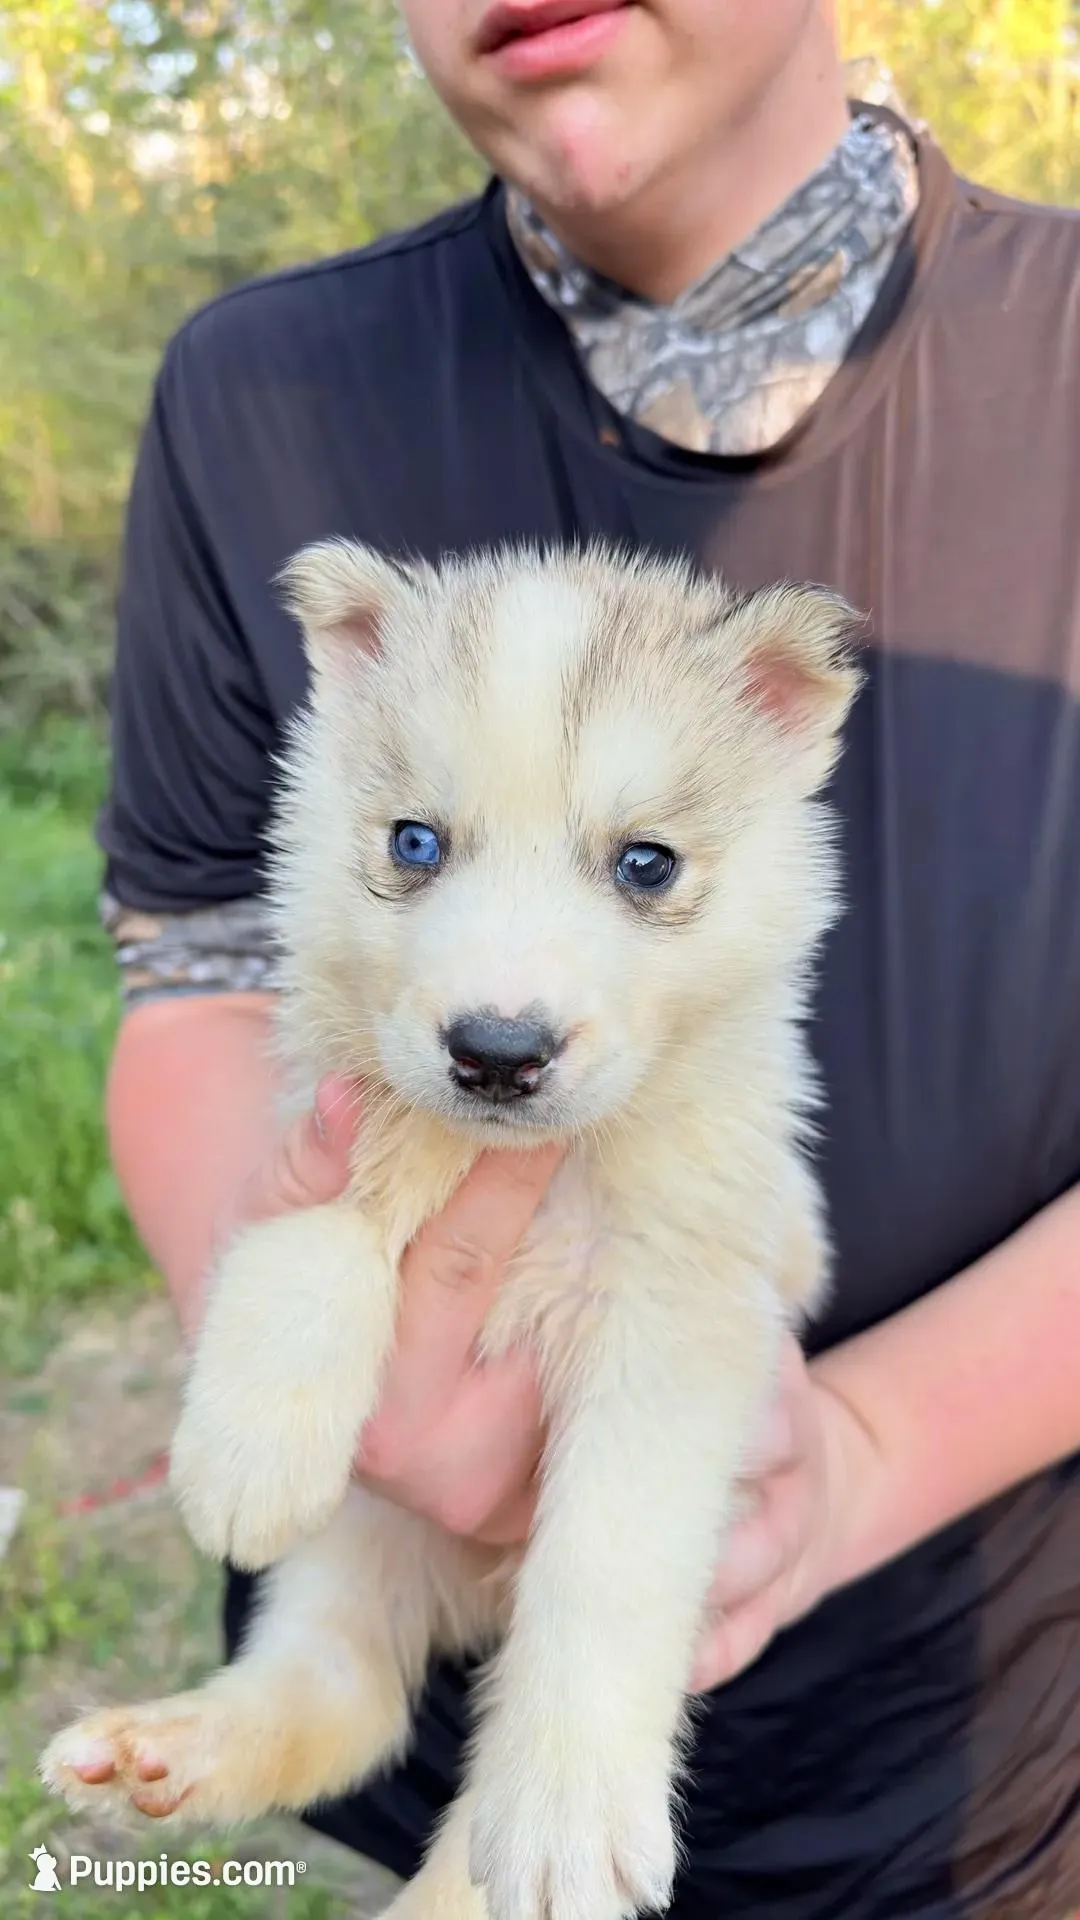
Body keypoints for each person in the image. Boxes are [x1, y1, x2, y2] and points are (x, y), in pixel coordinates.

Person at [96, 2, 1080, 1913]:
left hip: (980, 1755)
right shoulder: (253, 387)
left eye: (640, 862)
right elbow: (201, 964)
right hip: (396, 1665)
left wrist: (863, 1450)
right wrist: (316, 1340)